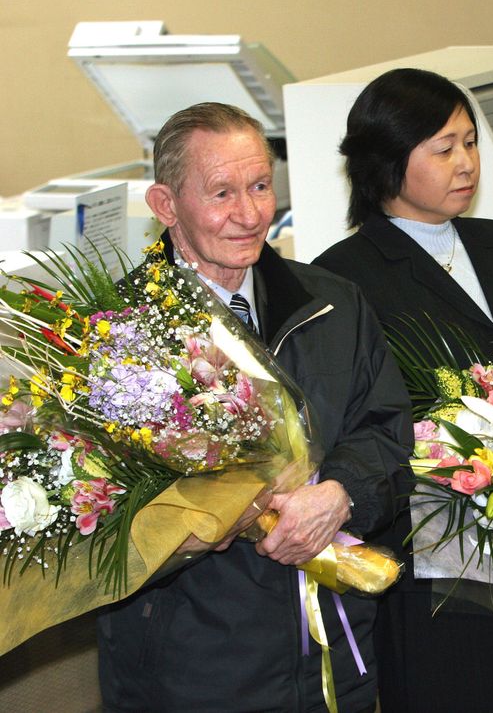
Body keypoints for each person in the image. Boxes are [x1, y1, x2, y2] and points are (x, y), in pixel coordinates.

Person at [95, 103, 414, 712]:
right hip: (196, 666)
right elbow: (103, 516)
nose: (248, 215)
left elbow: (387, 432)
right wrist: (212, 522)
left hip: (333, 651)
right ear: (166, 206)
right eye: (221, 193)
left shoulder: (332, 302)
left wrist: (340, 493)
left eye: (261, 186)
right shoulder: (121, 330)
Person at [312, 68, 493, 712]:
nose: (466, 162)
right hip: (439, 578)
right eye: (443, 148)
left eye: (469, 142)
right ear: (386, 163)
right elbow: (361, 432)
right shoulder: (341, 280)